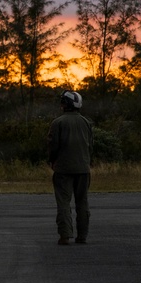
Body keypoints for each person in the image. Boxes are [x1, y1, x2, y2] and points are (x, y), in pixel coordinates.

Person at [48, 90, 94, 245]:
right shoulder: (86, 123)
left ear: (65, 104)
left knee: (63, 202)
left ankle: (65, 235)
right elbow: (90, 146)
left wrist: (52, 160)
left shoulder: (58, 123)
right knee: (82, 202)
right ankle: (83, 236)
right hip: (83, 169)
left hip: (63, 169)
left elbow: (53, 146)